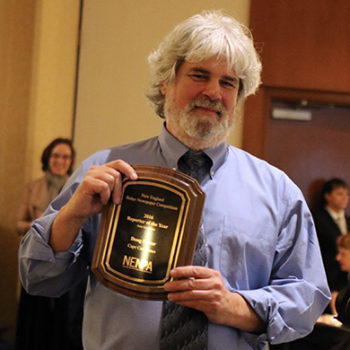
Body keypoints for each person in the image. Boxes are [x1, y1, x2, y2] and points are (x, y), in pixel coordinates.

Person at [19, 11, 330, 350]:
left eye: (228, 83)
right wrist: (72, 215)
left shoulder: (277, 191)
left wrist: (234, 307)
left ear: (239, 96)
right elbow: (38, 279)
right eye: (199, 75)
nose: (213, 92)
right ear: (166, 81)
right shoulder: (103, 170)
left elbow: (307, 297)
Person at [15, 138, 86, 350]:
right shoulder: (34, 187)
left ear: (71, 161)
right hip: (36, 257)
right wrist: (44, 229)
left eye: (65, 157)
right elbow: (17, 224)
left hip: (66, 259)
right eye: (56, 155)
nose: (60, 161)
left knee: (64, 317)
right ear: (48, 157)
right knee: (35, 314)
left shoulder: (77, 187)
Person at [312, 178, 350, 314]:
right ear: (327, 196)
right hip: (326, 279)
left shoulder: (348, 220)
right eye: (340, 193)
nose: (345, 198)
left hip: (344, 281)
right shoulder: (316, 218)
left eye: (346, 193)